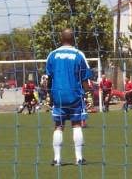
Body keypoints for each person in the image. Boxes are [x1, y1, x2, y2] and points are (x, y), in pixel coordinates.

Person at [46, 28, 92, 166]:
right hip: (75, 96)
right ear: (73, 39)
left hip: (58, 95)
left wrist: (49, 94)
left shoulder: (52, 55)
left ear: (61, 39)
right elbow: (85, 78)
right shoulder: (79, 54)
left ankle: (57, 159)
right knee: (76, 125)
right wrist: (88, 94)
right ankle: (78, 158)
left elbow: (48, 77)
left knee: (58, 126)